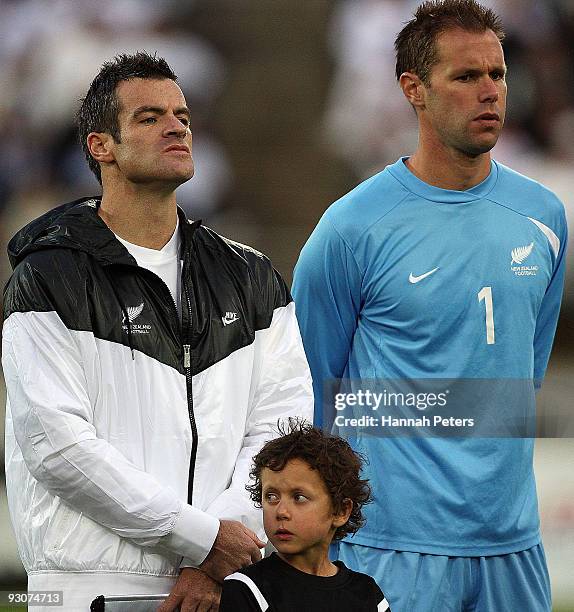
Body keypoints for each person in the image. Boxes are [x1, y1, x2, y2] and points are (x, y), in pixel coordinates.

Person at [2, 52, 313, 612]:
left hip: (223, 585)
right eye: (149, 117)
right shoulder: (47, 275)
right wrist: (201, 540)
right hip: (83, 590)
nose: (176, 127)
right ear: (101, 146)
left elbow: (284, 428)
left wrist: (221, 549)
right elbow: (54, 443)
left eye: (184, 116)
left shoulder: (250, 275)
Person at [291, 1, 567, 611]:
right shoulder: (352, 229)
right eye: (466, 77)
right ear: (413, 89)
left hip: (514, 547)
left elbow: (523, 373)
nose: (489, 92)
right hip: (391, 548)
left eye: (497, 74)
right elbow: (313, 391)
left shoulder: (544, 217)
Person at [219, 420, 390, 611]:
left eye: (299, 497)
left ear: (341, 511)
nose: (281, 511)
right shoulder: (247, 588)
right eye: (271, 496)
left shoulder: (368, 594)